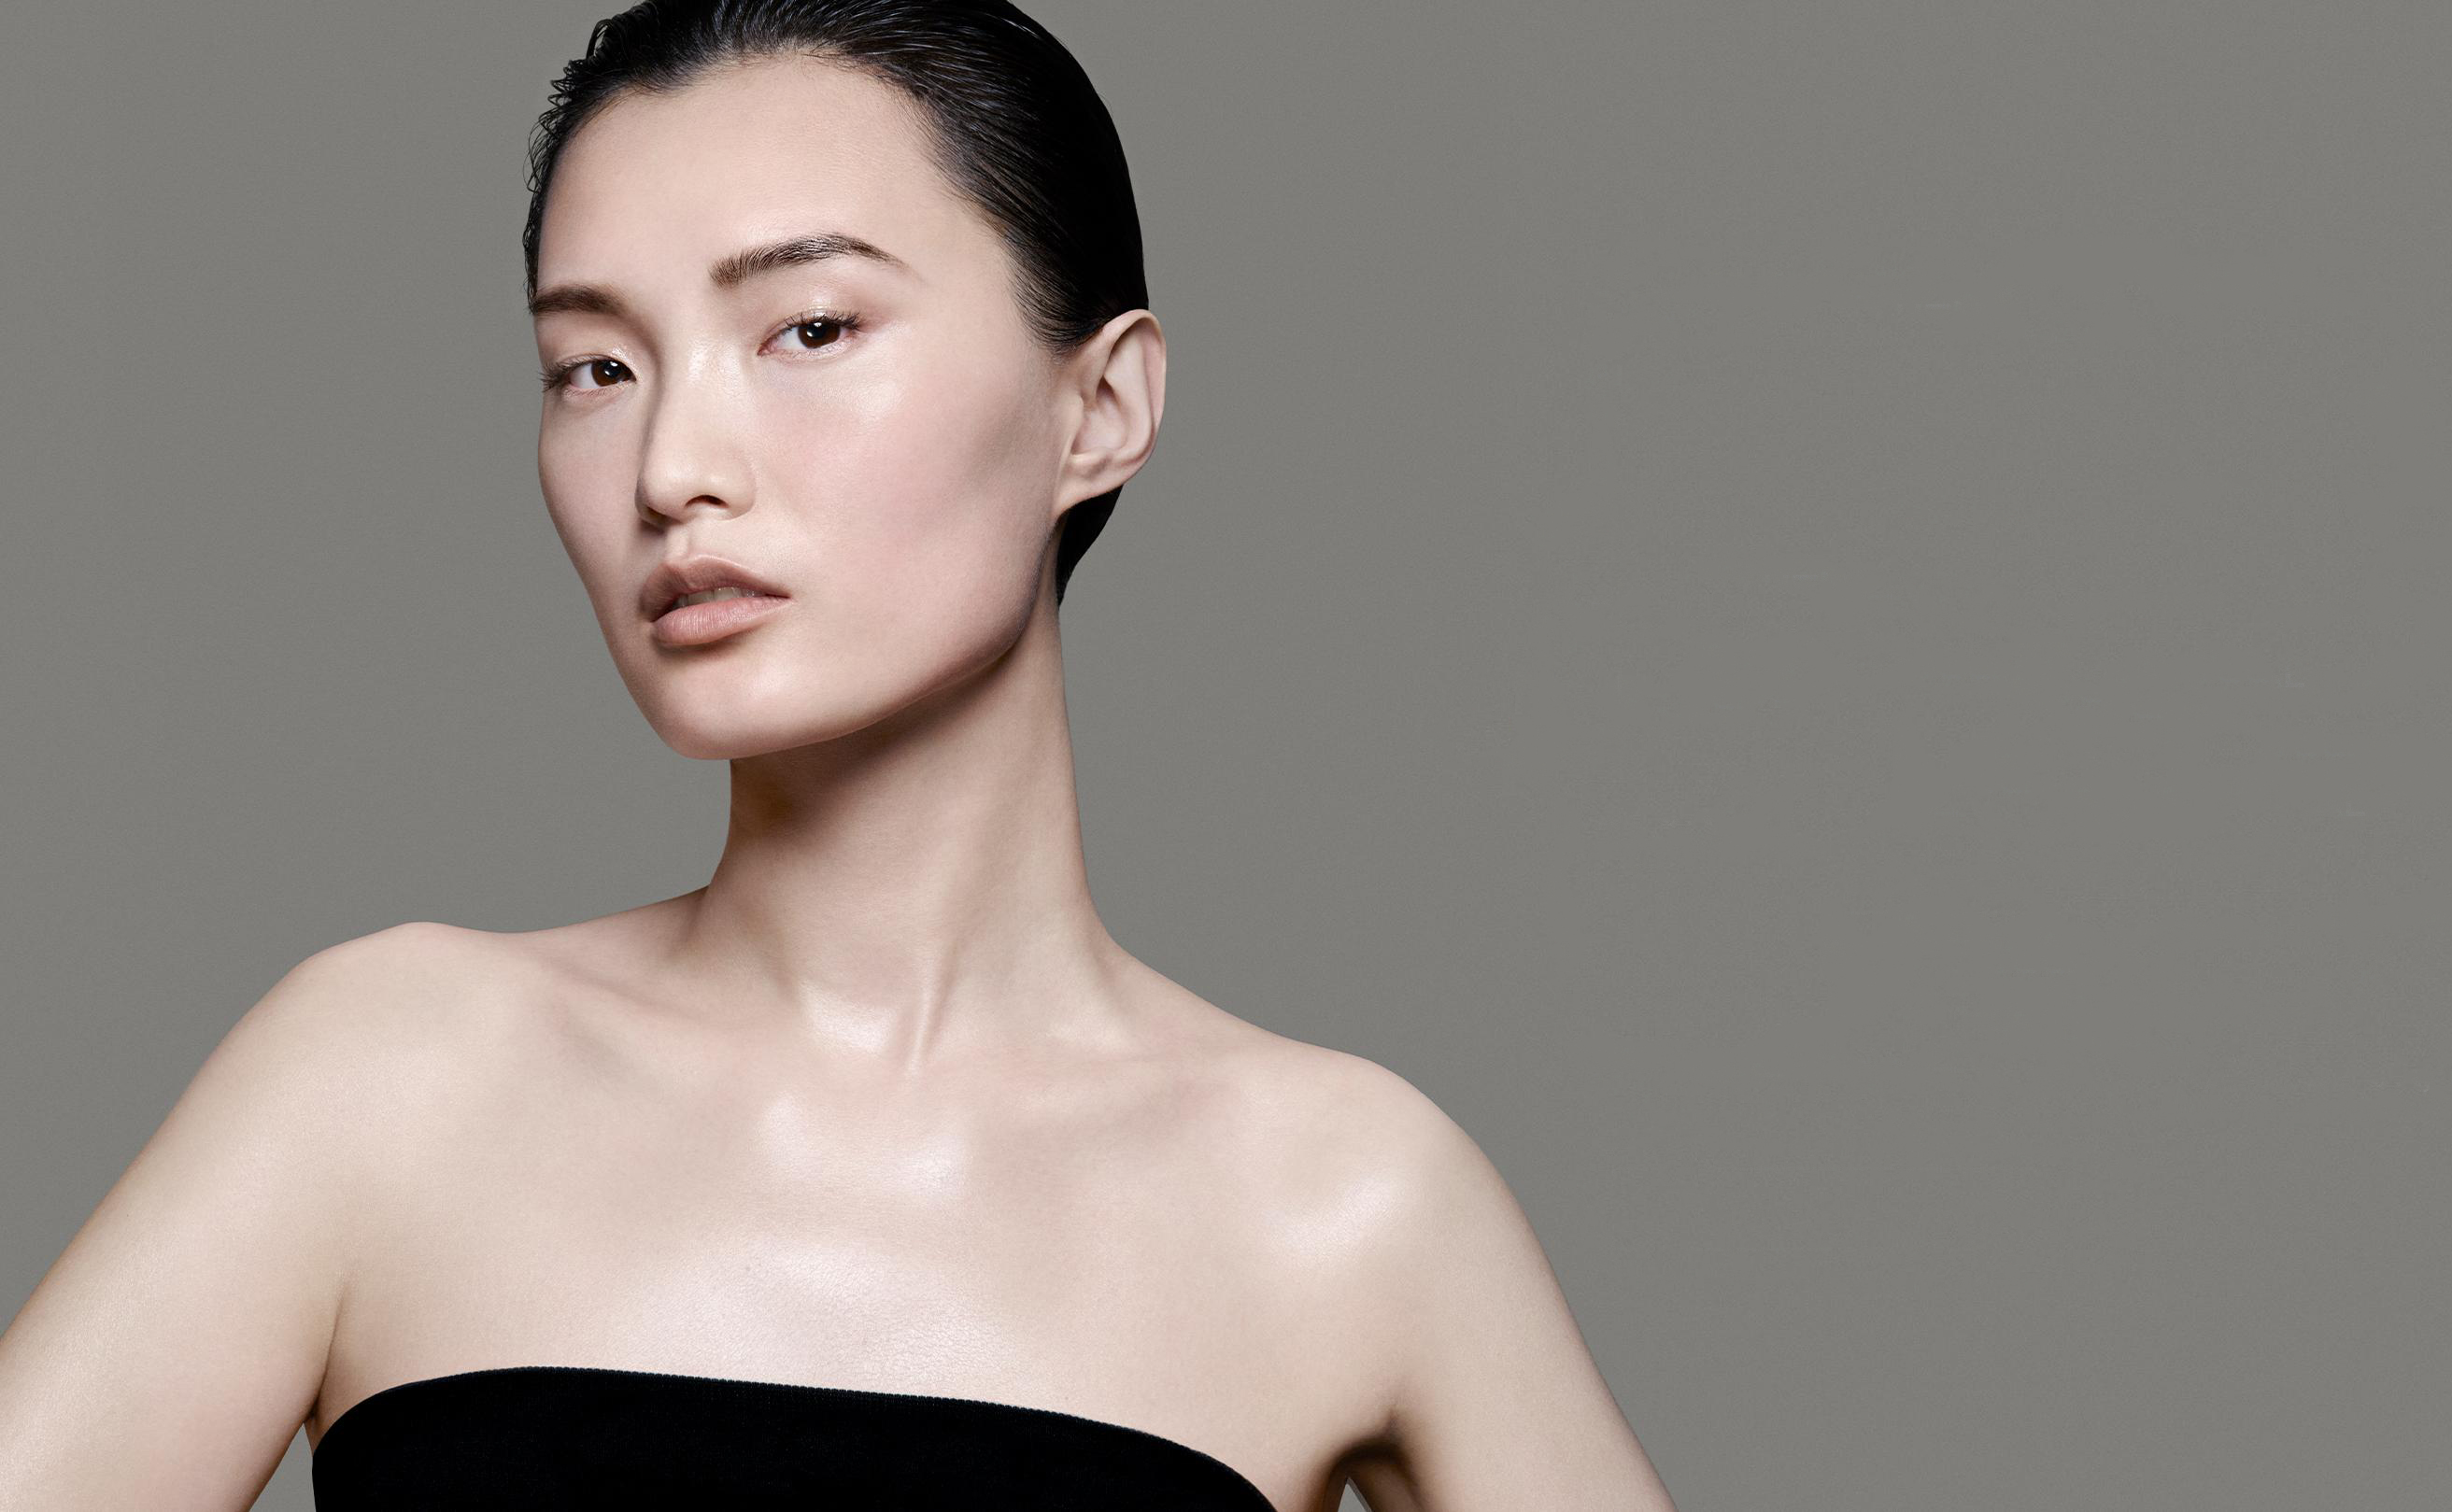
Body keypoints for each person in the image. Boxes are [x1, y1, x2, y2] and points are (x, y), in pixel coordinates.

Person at [0, 3, 1678, 1508]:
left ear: (1100, 409)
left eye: (809, 329)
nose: (674, 465)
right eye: (596, 367)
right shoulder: (385, 1083)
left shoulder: (1341, 1206)